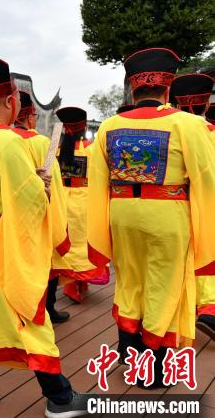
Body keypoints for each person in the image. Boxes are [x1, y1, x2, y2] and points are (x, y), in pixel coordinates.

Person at [0, 56, 93, 417]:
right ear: (12, 101)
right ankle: (59, 397)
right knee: (29, 313)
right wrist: (43, 189)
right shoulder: (8, 141)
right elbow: (27, 201)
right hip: (2, 241)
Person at [88, 48, 215, 388]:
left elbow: (97, 181)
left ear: (133, 88)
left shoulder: (109, 126)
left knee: (130, 281)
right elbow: (207, 179)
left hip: (121, 215)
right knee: (163, 285)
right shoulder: (189, 124)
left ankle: (129, 351)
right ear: (168, 88)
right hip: (166, 216)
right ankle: (152, 368)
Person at [13, 91, 71, 324]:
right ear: (29, 117)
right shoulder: (41, 143)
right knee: (46, 262)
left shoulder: (5, 139)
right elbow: (53, 186)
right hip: (39, 214)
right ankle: (47, 308)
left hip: (13, 214)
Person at [168, 73, 215, 341]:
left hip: (172, 206)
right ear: (206, 104)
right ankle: (208, 308)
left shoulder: (167, 129)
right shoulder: (208, 133)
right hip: (206, 206)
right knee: (207, 254)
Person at [56, 107, 104, 303]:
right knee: (81, 242)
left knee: (67, 241)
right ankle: (72, 283)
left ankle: (75, 281)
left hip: (61, 199)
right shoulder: (91, 149)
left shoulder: (56, 149)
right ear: (84, 127)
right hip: (83, 200)